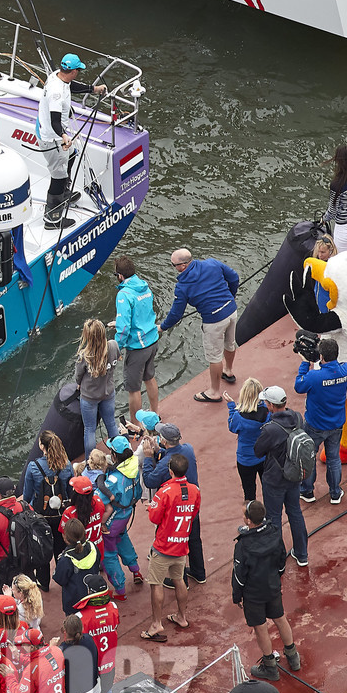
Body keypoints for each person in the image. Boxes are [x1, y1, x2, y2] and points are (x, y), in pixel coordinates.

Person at [231, 500, 303, 681]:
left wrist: (236, 595)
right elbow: (281, 560)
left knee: (261, 627)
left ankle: (270, 667)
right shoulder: (274, 533)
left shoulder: (243, 544)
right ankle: (293, 658)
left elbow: (239, 575)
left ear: (248, 521)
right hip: (272, 586)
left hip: (253, 594)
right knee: (280, 618)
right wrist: (276, 577)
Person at [160, 249, 241, 403]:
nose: (174, 268)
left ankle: (214, 392)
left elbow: (176, 314)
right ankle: (229, 371)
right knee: (230, 343)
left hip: (213, 320)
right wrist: (231, 296)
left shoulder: (182, 286)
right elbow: (234, 277)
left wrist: (162, 327)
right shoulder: (212, 263)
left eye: (174, 265)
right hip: (231, 310)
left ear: (183, 266)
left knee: (214, 357)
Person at [35, 54, 106, 229]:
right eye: (78, 71)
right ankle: (52, 219)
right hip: (52, 138)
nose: (78, 73)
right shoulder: (56, 93)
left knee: (72, 154)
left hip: (53, 133)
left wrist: (93, 89)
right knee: (58, 177)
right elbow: (55, 121)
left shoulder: (57, 76)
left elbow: (71, 86)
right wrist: (64, 136)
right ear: (73, 71)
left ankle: (64, 194)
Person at [251, 386, 312, 567]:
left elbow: (257, 451)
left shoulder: (271, 429)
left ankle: (278, 561)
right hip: (294, 476)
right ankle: (302, 554)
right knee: (295, 512)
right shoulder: (297, 417)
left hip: (274, 480)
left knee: (274, 518)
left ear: (271, 405)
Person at [141, 454, 198, 643]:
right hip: (181, 544)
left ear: (171, 471)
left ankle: (156, 623)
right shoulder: (194, 490)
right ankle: (182, 616)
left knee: (156, 584)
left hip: (163, 546)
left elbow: (154, 518)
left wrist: (151, 508)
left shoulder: (164, 492)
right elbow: (194, 511)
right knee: (179, 580)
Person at [140, 423, 204, 584]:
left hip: (175, 508)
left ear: (164, 440)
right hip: (191, 502)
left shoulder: (167, 464)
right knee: (194, 539)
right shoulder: (187, 449)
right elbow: (172, 452)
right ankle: (199, 572)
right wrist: (159, 450)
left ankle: (179, 579)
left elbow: (149, 480)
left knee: (175, 540)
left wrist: (148, 457)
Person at [295, 335, 347, 506]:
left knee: (309, 457)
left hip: (315, 425)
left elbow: (298, 386)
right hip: (336, 424)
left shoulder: (313, 377)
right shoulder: (346, 370)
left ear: (321, 357)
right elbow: (335, 369)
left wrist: (305, 362)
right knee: (334, 458)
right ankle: (335, 493)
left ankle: (307, 491)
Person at [112, 256, 161, 417]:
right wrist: (118, 321)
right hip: (152, 339)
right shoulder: (145, 287)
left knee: (133, 389)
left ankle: (135, 424)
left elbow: (124, 328)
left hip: (137, 347)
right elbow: (142, 313)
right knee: (149, 378)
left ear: (120, 276)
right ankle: (155, 413)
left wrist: (116, 349)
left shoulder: (123, 294)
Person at [97, 437, 144, 597]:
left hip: (112, 521)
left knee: (109, 554)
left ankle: (120, 589)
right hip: (126, 514)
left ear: (115, 454)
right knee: (123, 539)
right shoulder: (133, 468)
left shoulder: (114, 480)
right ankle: (136, 571)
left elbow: (98, 500)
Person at [73, 577, 121, 693]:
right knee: (107, 692)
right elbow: (116, 626)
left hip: (90, 664)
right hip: (108, 661)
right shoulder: (113, 607)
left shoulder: (80, 617)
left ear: (90, 592)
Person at [227, 378, 269, 503]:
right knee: (268, 489)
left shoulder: (238, 416)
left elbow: (232, 427)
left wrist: (231, 407)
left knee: (249, 492)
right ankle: (271, 516)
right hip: (264, 456)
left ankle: (253, 519)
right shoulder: (268, 412)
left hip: (246, 460)